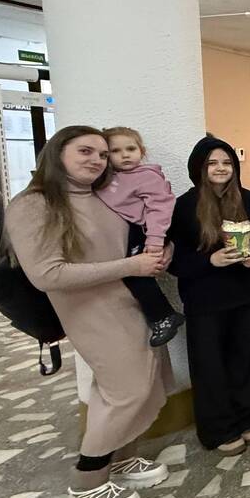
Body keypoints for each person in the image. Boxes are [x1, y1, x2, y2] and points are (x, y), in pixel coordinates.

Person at [7, 126, 171, 498]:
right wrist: (131, 266)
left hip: (133, 304)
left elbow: (136, 236)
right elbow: (47, 274)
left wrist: (162, 251)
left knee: (147, 384)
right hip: (91, 311)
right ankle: (87, 483)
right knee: (127, 391)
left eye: (102, 154)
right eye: (85, 151)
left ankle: (122, 459)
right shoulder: (34, 204)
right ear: (57, 152)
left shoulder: (103, 194)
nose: (96, 160)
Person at [167, 136, 250, 454]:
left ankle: (249, 418)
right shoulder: (184, 206)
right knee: (210, 364)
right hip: (205, 299)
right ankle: (219, 429)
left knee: (247, 359)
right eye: (212, 163)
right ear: (199, 168)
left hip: (245, 294)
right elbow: (173, 260)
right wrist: (209, 260)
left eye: (226, 162)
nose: (221, 168)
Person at [96, 127, 185, 348]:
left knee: (136, 275)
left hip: (146, 231)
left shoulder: (147, 177)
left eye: (130, 149)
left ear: (141, 151)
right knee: (131, 275)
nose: (125, 155)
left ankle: (164, 316)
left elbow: (161, 209)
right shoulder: (108, 178)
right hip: (130, 232)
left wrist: (155, 240)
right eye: (116, 151)